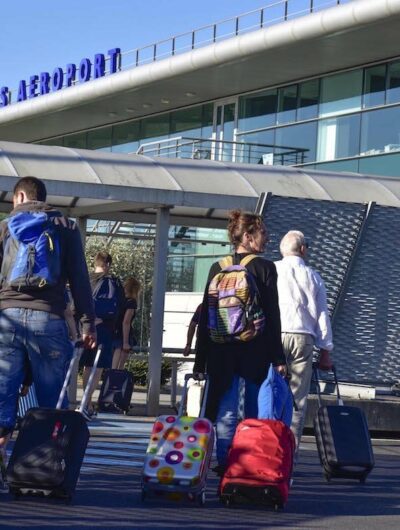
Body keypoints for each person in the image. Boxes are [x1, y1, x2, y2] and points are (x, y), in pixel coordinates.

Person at [0, 176, 96, 492]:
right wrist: (87, 323)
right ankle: (44, 468)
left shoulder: (5, 225)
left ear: (21, 196)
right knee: (51, 400)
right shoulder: (66, 227)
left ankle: (1, 448)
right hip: (49, 319)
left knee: (4, 393)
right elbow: (80, 279)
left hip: (7, 319)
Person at [194, 210, 286, 476]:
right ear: (248, 236)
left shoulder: (217, 267)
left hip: (220, 349)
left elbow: (205, 316)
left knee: (225, 409)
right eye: (263, 233)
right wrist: (278, 358)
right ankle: (251, 463)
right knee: (255, 411)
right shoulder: (264, 267)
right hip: (254, 349)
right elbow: (272, 314)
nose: (267, 239)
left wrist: (201, 361)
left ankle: (225, 463)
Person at [275, 230, 333, 460]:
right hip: (303, 339)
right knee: (297, 399)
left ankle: (266, 449)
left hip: (274, 338)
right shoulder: (313, 276)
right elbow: (321, 315)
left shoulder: (273, 270)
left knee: (270, 392)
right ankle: (289, 457)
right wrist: (326, 350)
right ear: (303, 249)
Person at [80, 251, 124, 419]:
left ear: (95, 263)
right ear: (108, 264)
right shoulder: (112, 282)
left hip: (85, 327)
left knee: (87, 365)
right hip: (104, 329)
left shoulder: (85, 279)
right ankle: (87, 402)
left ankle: (86, 402)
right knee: (97, 367)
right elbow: (118, 306)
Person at [112, 277, 141, 370]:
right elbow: (126, 322)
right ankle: (117, 376)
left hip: (114, 330)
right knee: (120, 362)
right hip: (124, 334)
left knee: (114, 358)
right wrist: (126, 342)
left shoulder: (118, 300)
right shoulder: (131, 302)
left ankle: (111, 376)